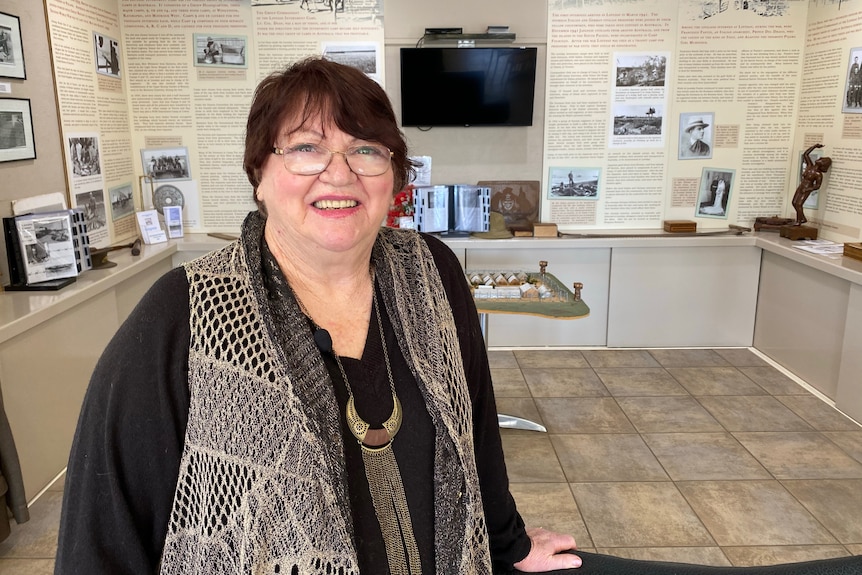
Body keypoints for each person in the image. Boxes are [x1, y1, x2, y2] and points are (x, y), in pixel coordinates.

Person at [54, 57, 580, 574]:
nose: (339, 173)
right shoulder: (183, 315)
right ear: (259, 173)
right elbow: (103, 531)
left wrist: (508, 543)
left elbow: (476, 433)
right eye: (306, 148)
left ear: (393, 175)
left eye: (366, 149)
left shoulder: (432, 270)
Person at [791, 143, 831, 225]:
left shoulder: (818, 174)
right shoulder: (810, 165)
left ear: (822, 164)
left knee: (799, 204)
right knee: (794, 203)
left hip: (806, 188)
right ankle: (803, 219)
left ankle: (798, 221)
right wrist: (814, 146)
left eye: (821, 160)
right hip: (801, 186)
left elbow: (817, 186)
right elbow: (806, 154)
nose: (819, 159)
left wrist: (808, 189)